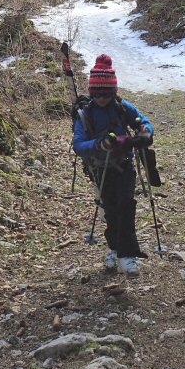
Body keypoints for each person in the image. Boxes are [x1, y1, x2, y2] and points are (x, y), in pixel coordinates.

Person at [72, 54, 154, 277]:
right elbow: (78, 145)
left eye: (106, 93)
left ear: (113, 91)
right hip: (99, 169)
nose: (101, 98)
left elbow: (144, 122)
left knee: (126, 204)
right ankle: (115, 249)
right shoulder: (85, 113)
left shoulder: (121, 107)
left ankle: (127, 257)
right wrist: (100, 144)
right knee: (110, 210)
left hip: (124, 165)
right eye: (97, 93)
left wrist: (146, 133)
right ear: (91, 91)